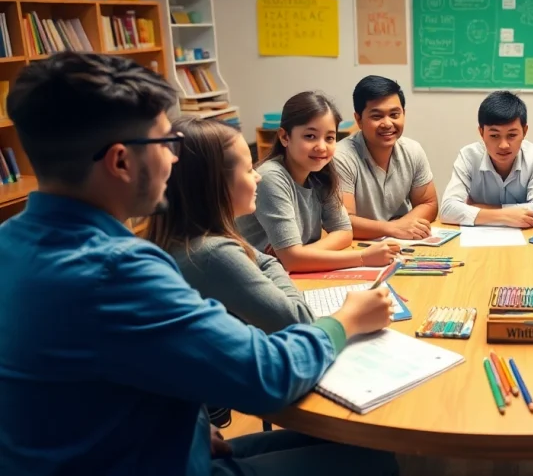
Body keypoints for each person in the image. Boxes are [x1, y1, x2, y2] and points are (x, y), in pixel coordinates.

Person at [0, 52, 398, 476]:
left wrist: (186, 424)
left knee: (348, 439)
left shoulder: (12, 241)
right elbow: (270, 374)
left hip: (114, 447)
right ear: (120, 161)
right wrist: (347, 320)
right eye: (166, 144)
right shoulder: (121, 270)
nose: (175, 160)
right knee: (371, 459)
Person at [148, 116, 315, 332]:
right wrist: (272, 268)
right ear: (215, 184)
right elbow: (300, 319)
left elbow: (264, 261)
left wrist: (267, 264)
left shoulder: (186, 239)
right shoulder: (212, 254)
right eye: (248, 169)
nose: (258, 177)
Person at [237, 91, 398, 273]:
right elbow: (292, 261)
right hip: (253, 277)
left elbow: (344, 233)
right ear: (284, 137)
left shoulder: (321, 173)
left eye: (330, 138)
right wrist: (363, 258)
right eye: (310, 136)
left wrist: (299, 255)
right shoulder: (271, 177)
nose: (322, 147)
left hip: (286, 273)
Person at [334, 75, 439, 240]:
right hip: (358, 248)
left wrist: (403, 227)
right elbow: (343, 222)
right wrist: (394, 229)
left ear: (404, 113)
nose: (388, 123)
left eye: (394, 115)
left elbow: (429, 203)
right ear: (359, 119)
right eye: (377, 116)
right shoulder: (341, 157)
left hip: (402, 246)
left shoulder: (412, 150)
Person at [439, 90, 533, 228]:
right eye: (494, 136)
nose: (503, 145)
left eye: (512, 135)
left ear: (524, 131)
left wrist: (477, 208)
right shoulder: (468, 156)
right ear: (481, 133)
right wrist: (506, 216)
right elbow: (447, 210)